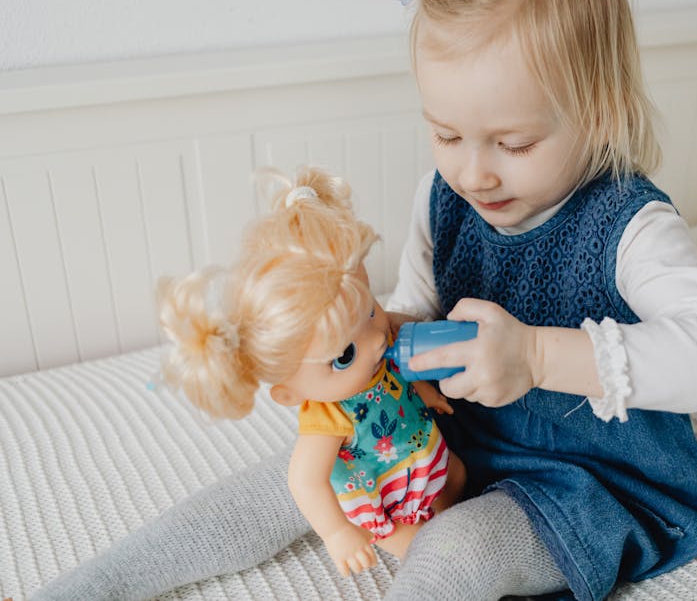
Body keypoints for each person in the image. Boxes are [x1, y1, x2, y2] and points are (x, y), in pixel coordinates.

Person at [33, 0, 697, 599]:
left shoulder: (631, 225)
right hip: (449, 433)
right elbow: (413, 316)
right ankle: (77, 590)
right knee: (291, 478)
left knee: (457, 551)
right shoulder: (442, 199)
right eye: (445, 134)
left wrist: (535, 356)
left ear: (598, 109)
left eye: (514, 143)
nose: (473, 174)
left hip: (587, 479)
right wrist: (344, 336)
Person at [155, 166, 465, 577]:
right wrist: (337, 533)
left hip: (427, 456)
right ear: (289, 392)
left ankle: (458, 508)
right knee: (433, 555)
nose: (376, 339)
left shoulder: (377, 345)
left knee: (459, 478)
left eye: (371, 310)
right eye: (343, 355)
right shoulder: (329, 416)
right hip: (389, 497)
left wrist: (426, 393)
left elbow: (400, 375)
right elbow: (305, 481)